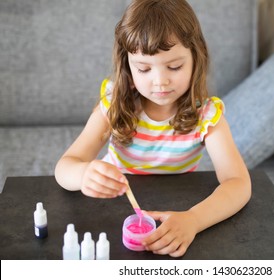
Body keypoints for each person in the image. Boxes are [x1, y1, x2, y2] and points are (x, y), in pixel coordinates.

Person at [55, 0, 251, 257]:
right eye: (144, 69)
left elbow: (238, 184)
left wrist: (193, 219)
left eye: (174, 66)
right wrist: (83, 175)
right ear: (128, 66)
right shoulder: (114, 105)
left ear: (196, 57)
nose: (160, 81)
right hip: (113, 210)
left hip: (178, 207)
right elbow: (64, 167)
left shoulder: (206, 115)